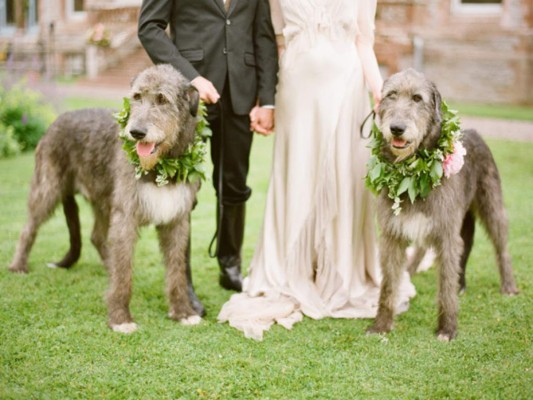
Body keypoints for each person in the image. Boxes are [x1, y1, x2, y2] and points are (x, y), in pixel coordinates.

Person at [218, 0, 416, 340]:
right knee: (299, 177)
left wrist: (379, 91)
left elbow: (363, 43)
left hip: (346, 86)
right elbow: (276, 45)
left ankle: (340, 269)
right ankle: (293, 268)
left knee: (344, 177)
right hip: (297, 89)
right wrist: (268, 100)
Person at [138, 0, 279, 316]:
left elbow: (264, 37)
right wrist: (191, 77)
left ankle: (230, 265)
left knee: (234, 184)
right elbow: (149, 27)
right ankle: (182, 281)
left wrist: (267, 99)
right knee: (183, 189)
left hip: (241, 91)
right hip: (188, 98)